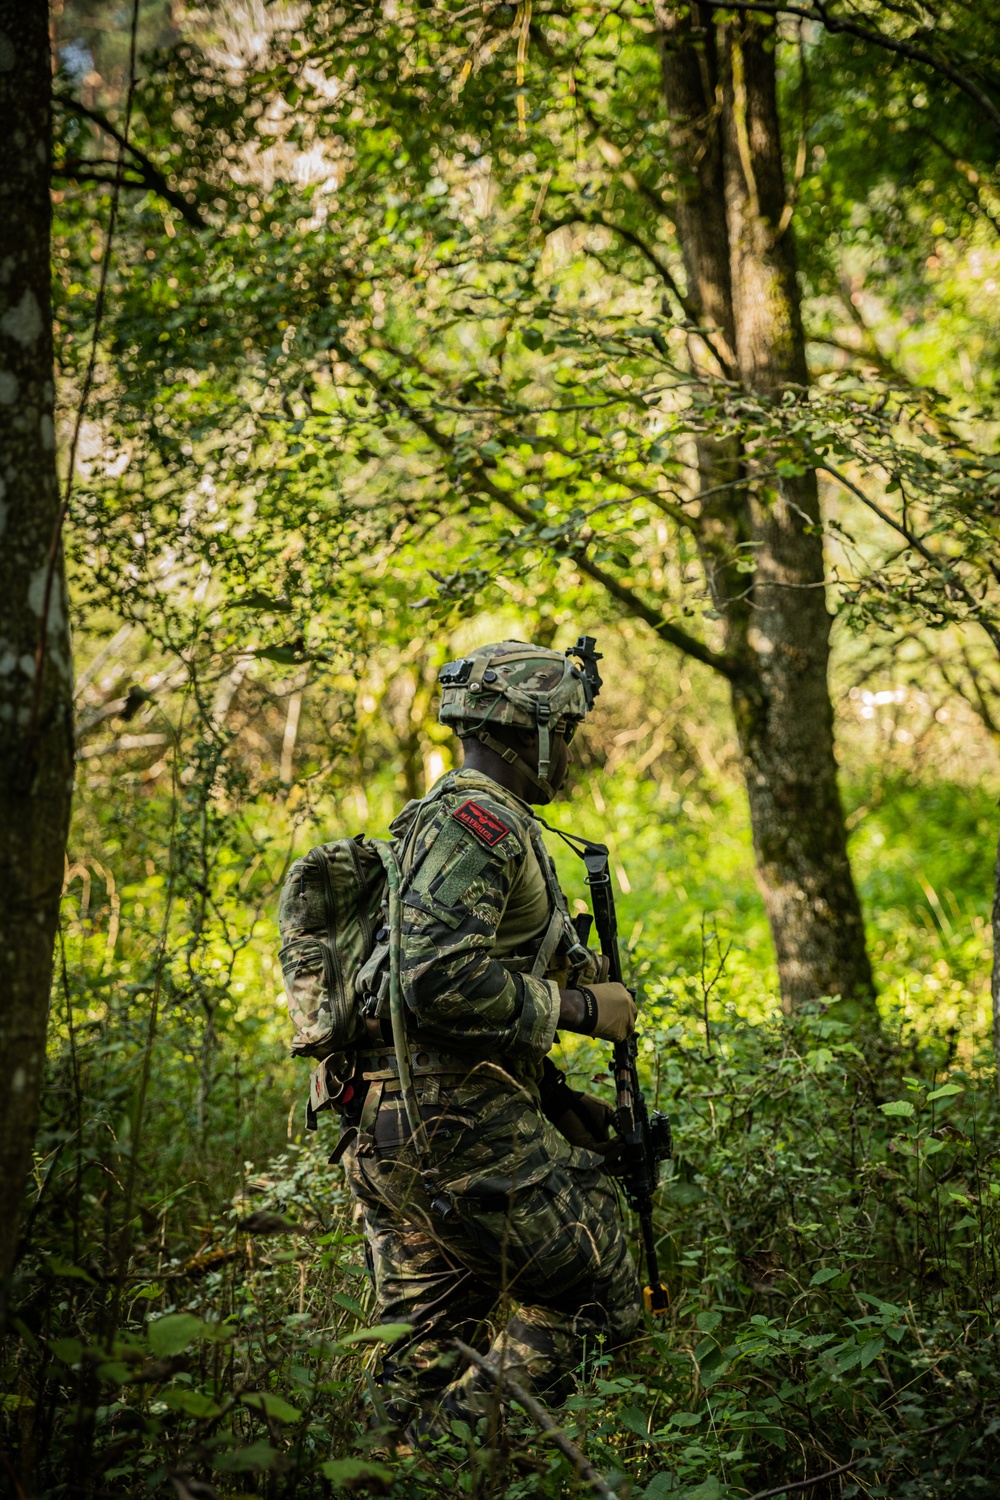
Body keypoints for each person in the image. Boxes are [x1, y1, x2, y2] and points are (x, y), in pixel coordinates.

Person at [338, 638, 643, 1436]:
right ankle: (445, 1459)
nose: (572, 754)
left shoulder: (450, 823)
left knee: (431, 1343)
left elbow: (430, 995)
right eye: (566, 734)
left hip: (394, 1123)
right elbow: (430, 983)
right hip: (450, 1127)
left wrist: (550, 1095)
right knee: (594, 1296)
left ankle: (388, 1477)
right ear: (533, 732)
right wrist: (581, 1012)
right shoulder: (478, 824)